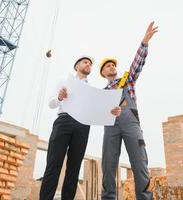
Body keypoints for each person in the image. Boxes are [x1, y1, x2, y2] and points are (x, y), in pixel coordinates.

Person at [39, 56, 121, 200]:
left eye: (90, 64)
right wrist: (59, 97)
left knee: (74, 168)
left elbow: (99, 109)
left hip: (83, 126)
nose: (88, 64)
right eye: (85, 62)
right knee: (53, 164)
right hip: (64, 121)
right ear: (76, 66)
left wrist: (112, 112)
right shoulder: (64, 81)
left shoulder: (91, 90)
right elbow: (51, 104)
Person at [100, 21, 158, 200]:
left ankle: (145, 198)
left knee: (139, 162)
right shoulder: (100, 94)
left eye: (113, 65)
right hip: (110, 127)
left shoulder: (127, 80)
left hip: (131, 122)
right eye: (107, 66)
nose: (112, 67)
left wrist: (144, 42)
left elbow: (137, 64)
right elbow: (94, 113)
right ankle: (108, 197)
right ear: (102, 73)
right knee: (108, 164)